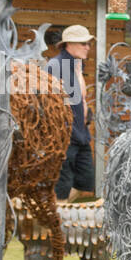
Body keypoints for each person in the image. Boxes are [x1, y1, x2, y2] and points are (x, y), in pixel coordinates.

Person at [48, 24, 95, 201]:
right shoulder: (56, 66)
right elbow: (50, 103)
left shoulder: (76, 65)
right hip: (64, 136)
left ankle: (62, 211)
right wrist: (66, 129)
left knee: (85, 181)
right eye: (83, 43)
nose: (87, 47)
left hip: (81, 134)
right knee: (63, 183)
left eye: (88, 43)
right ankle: (57, 219)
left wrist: (86, 115)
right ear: (69, 44)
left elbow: (78, 99)